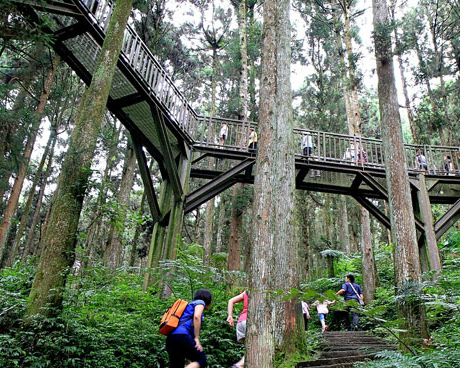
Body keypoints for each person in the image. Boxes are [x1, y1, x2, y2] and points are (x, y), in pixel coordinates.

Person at [166, 289, 212, 368]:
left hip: (171, 338)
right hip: (182, 336)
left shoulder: (187, 307)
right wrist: (197, 338)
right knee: (201, 360)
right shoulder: (200, 303)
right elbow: (197, 317)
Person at [227, 290, 248, 368]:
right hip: (249, 321)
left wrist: (230, 315)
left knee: (249, 349)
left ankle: (240, 365)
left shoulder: (246, 292)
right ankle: (239, 365)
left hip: (240, 322)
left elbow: (231, 300)